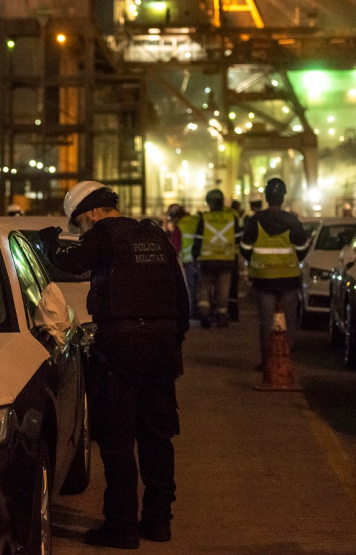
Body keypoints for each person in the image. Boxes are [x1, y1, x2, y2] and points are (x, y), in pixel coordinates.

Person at [38, 181, 189, 549]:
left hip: (121, 349)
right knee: (157, 437)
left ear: (89, 212)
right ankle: (158, 522)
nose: (82, 230)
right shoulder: (154, 236)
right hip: (162, 348)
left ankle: (121, 527)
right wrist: (170, 341)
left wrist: (47, 243)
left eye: (80, 223)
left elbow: (69, 264)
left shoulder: (103, 235)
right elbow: (181, 299)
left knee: (118, 440)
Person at [240, 178, 309, 370]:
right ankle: (287, 359)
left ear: (267, 197)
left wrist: (255, 260)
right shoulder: (292, 221)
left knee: (266, 321)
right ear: (283, 197)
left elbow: (245, 247)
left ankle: (266, 361)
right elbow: (303, 248)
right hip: (289, 278)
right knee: (289, 320)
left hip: (263, 279)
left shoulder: (256, 220)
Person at [193, 189, 240, 328]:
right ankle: (221, 317)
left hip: (207, 260)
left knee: (204, 287)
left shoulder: (205, 218)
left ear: (209, 203)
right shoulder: (231, 218)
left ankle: (204, 313)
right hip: (226, 260)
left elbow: (198, 239)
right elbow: (238, 238)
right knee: (223, 290)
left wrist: (195, 255)